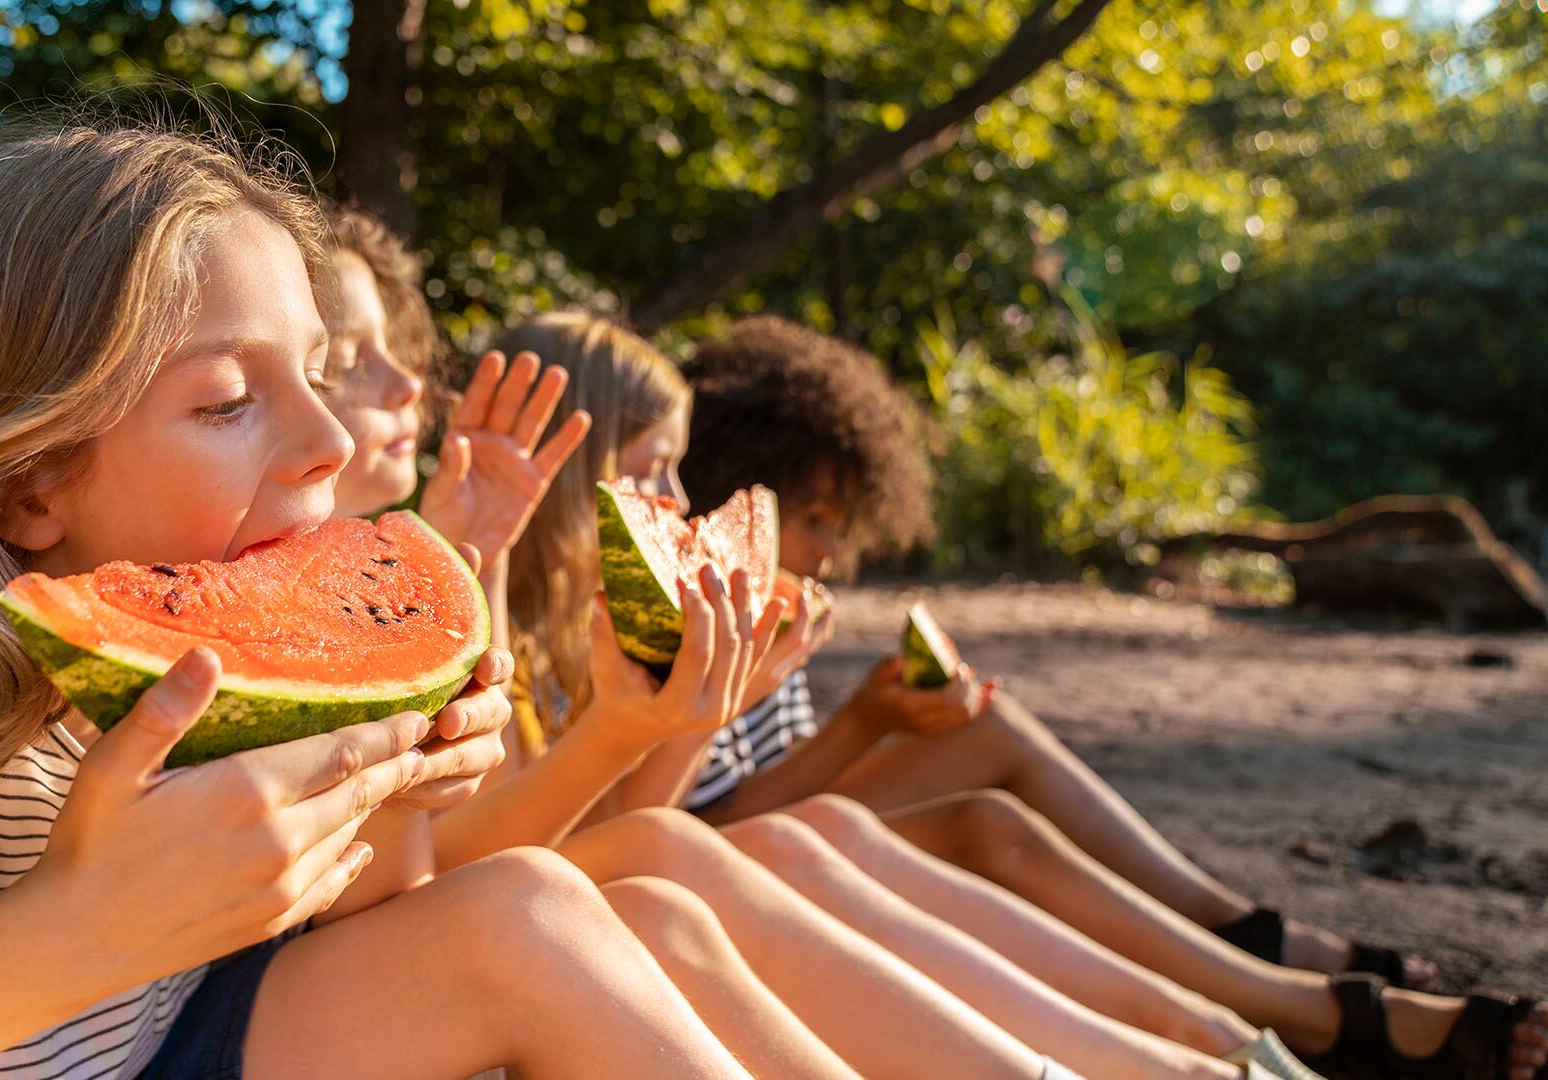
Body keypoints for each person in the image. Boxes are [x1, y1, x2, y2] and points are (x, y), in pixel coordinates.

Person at [0, 118, 791, 1080]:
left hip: (166, 1047)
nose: (331, 441)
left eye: (319, 378)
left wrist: (397, 782)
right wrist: (63, 938)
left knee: (539, 911)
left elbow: (384, 904)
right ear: (28, 484)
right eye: (229, 401)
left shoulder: (222, 667)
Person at [322, 271, 1310, 1079]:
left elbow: (599, 823)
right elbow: (577, 837)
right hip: (479, 935)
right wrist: (689, 712)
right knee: (783, 844)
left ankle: (1209, 1041)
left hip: (547, 890)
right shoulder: (461, 595)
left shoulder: (566, 605)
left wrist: (709, 701)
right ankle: (1213, 1043)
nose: (675, 495)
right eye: (654, 465)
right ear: (570, 463)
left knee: (870, 825)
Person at [676, 313, 1548, 1080]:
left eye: (841, 521)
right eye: (813, 517)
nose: (829, 550)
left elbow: (778, 770)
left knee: (988, 730)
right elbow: (700, 827)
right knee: (987, 826)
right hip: (725, 855)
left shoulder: (767, 602)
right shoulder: (680, 610)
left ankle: (1248, 939)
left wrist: (891, 717)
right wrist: (865, 723)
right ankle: (1295, 997)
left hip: (779, 827)